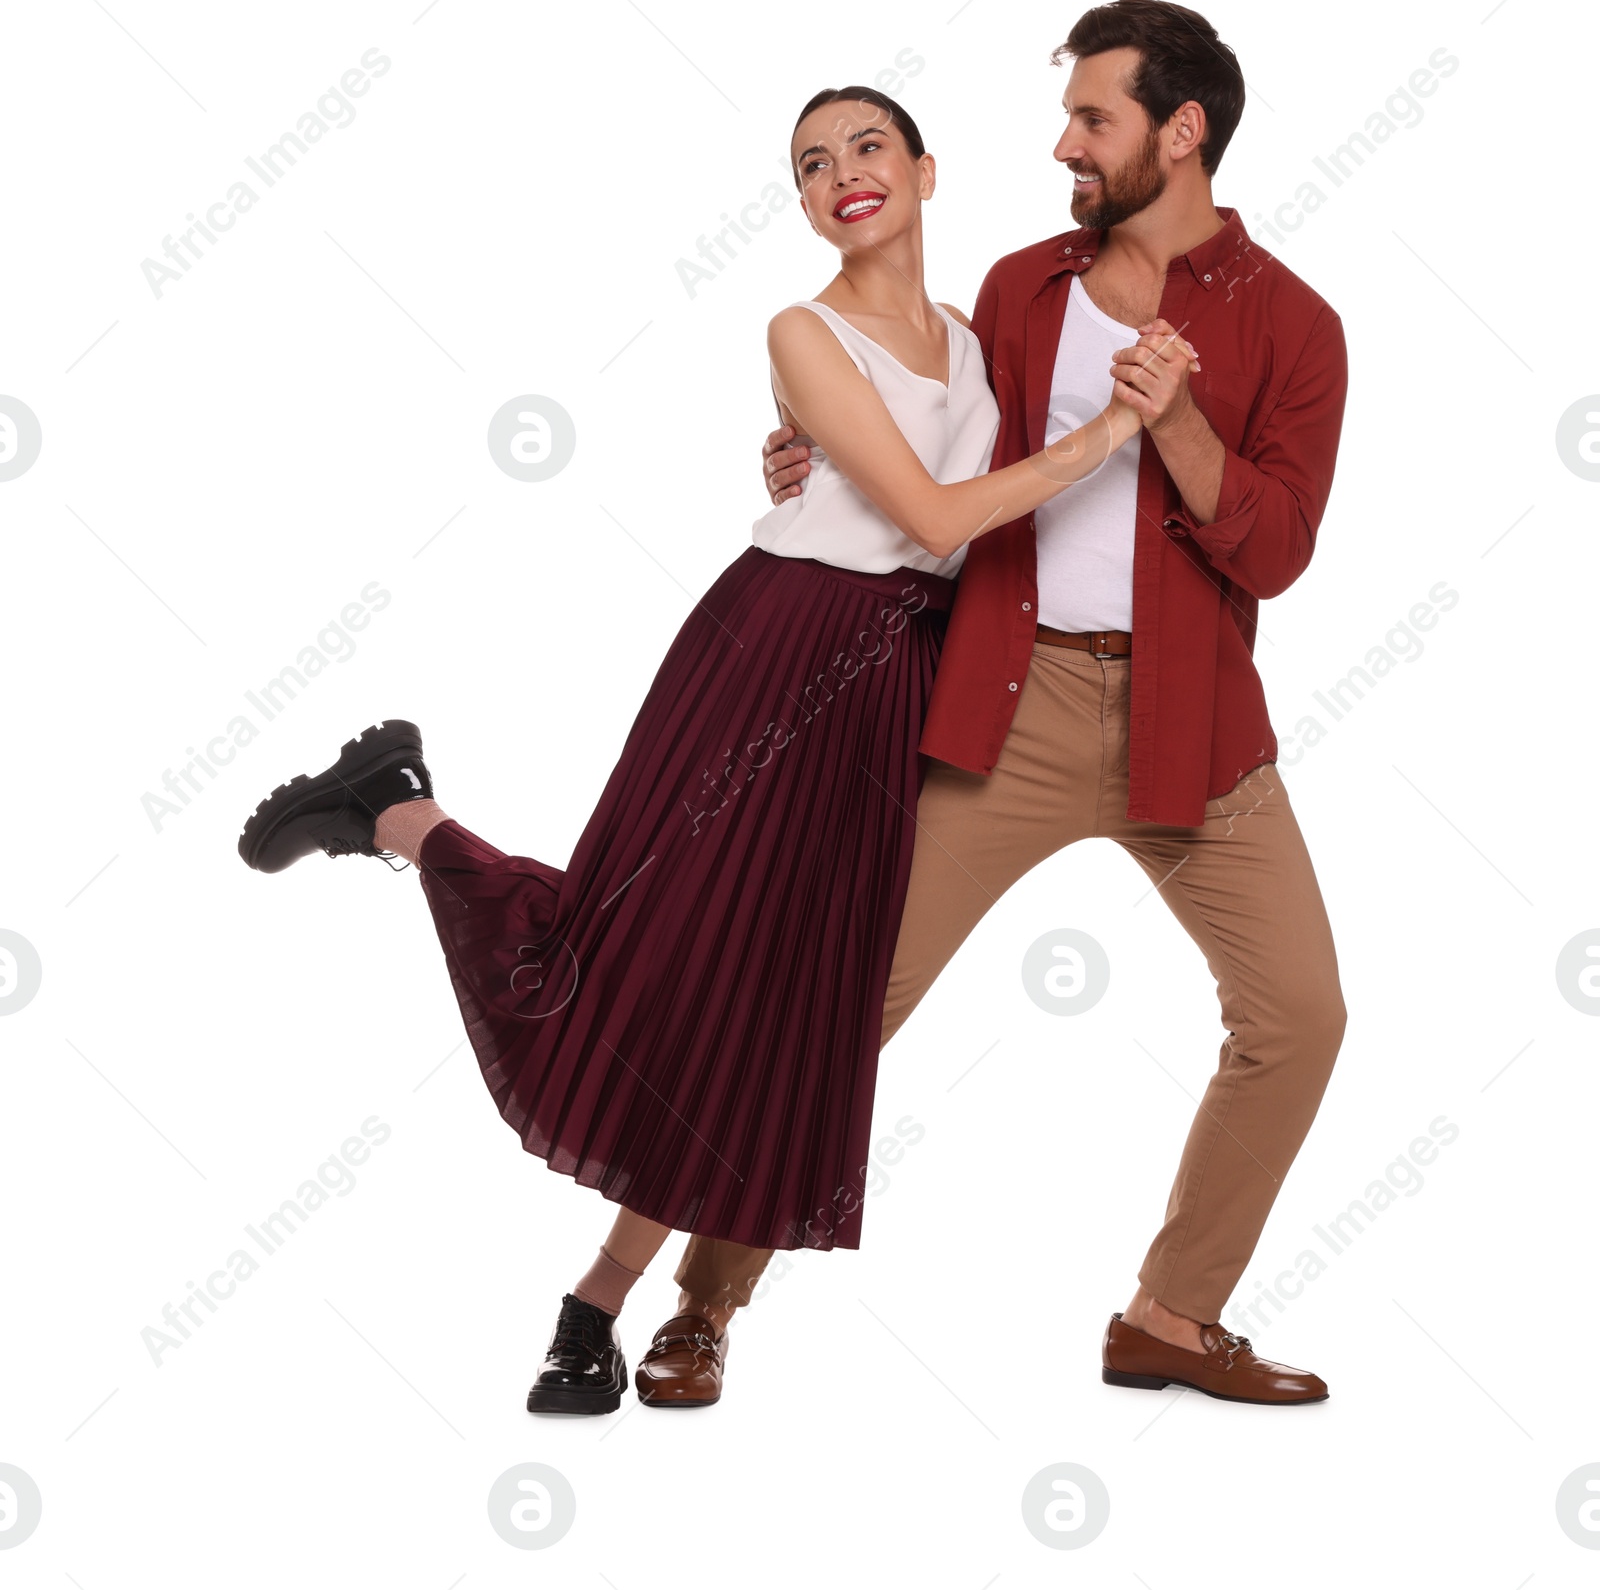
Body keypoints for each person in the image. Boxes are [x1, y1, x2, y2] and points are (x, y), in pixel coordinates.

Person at [236, 83, 1153, 1414]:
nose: (843, 172)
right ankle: (400, 815)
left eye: (869, 147)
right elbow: (937, 511)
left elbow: (951, 537)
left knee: (773, 1012)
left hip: (887, 682)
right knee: (635, 964)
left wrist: (828, 473)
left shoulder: (967, 343)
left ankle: (593, 1308)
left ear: (928, 171)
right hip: (770, 660)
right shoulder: (799, 327)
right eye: (812, 163)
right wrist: (1111, 432)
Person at [670, 0, 1351, 1408]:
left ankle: (1172, 1315)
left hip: (1198, 725)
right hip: (1007, 702)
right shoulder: (1026, 286)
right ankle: (703, 1299)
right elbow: (937, 452)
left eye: (1093, 118)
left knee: (1300, 1012)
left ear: (1183, 130)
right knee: (834, 1002)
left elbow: (1277, 547)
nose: (1064, 144)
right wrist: (814, 455)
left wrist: (1175, 422)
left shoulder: (1295, 322)